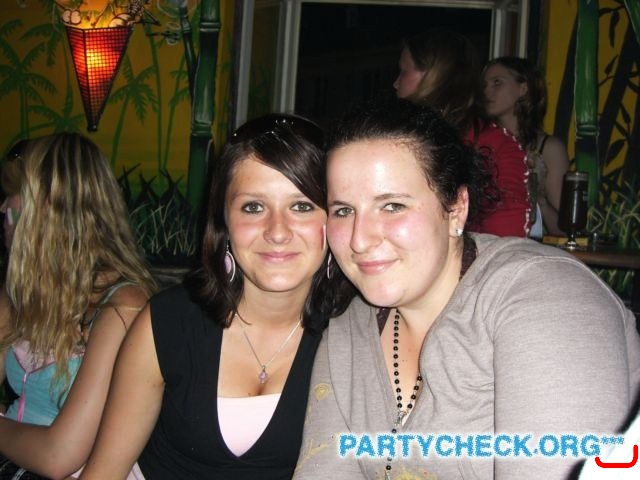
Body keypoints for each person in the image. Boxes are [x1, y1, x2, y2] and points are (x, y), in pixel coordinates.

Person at [293, 98, 640, 480]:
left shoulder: (549, 297)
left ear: (456, 208)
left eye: (392, 206)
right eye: (343, 211)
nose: (359, 239)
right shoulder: (350, 328)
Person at [81, 114, 344, 479]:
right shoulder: (168, 322)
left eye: (301, 206)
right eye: (253, 207)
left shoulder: (356, 335)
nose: (277, 231)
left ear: (333, 219)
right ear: (224, 222)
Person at [0, 133, 157, 479]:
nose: (3, 207)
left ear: (47, 210)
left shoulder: (123, 306)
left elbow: (60, 455)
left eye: (14, 193)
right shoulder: (21, 292)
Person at [393, 29, 531, 237]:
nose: (395, 83)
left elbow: (506, 237)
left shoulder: (493, 143)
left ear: (434, 76)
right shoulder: (389, 138)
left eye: (404, 72)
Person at [482, 56, 570, 237]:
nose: (486, 91)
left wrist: (538, 201)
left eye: (497, 83)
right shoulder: (480, 142)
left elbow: (565, 229)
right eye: (484, 85)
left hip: (529, 247)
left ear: (523, 89)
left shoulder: (548, 148)